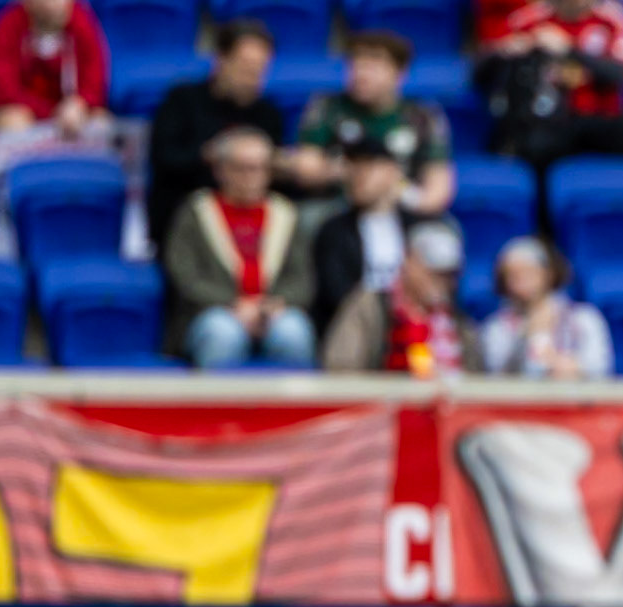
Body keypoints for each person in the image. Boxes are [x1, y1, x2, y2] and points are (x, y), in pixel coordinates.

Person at [163, 127, 315, 369]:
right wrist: (234, 304)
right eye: (242, 168)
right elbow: (185, 276)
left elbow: (302, 279)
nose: (252, 177)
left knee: (293, 332)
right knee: (222, 334)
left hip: (273, 311)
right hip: (214, 311)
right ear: (220, 170)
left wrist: (270, 306)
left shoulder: (285, 213)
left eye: (261, 168)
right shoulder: (196, 212)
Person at [147, 20, 286, 244]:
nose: (252, 79)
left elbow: (272, 174)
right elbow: (165, 159)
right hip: (185, 224)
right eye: (245, 67)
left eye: (259, 71)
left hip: (250, 227)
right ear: (221, 60)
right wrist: (211, 155)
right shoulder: (182, 101)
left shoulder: (267, 114)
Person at [293, 30, 454, 216]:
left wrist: (400, 191)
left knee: (439, 232)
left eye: (373, 66)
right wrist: (358, 173)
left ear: (400, 72)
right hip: (338, 205)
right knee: (310, 217)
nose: (361, 74)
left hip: (401, 205)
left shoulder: (423, 116)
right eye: (355, 65)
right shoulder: (327, 106)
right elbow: (305, 167)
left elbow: (438, 188)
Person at [478, 0, 623, 171]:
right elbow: (484, 67)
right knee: (534, 143)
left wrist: (569, 49)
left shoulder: (614, 20)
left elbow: (618, 75)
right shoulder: (529, 20)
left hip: (601, 116)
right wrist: (509, 50)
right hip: (551, 120)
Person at [309, 136, 436, 335]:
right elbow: (337, 297)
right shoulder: (334, 232)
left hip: (414, 325)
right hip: (358, 328)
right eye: (353, 166)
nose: (358, 174)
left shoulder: (418, 228)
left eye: (368, 166)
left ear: (393, 171)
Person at [323, 220, 482, 375]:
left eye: (449, 274)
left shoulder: (458, 322)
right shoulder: (371, 306)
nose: (442, 282)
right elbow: (341, 367)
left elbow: (476, 377)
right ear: (409, 261)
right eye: (434, 272)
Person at [480, 237, 613, 379]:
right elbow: (495, 376)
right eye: (512, 275)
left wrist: (570, 367)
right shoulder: (496, 327)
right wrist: (524, 338)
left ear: (548, 274)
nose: (521, 281)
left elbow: (600, 367)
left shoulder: (584, 317)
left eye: (528, 272)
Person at [0, 0, 108, 135]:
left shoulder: (82, 20)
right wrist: (52, 113)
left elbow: (95, 81)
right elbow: (1, 89)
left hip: (70, 112)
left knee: (100, 120)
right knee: (14, 121)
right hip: (26, 110)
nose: (58, 4)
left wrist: (79, 103)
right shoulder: (8, 24)